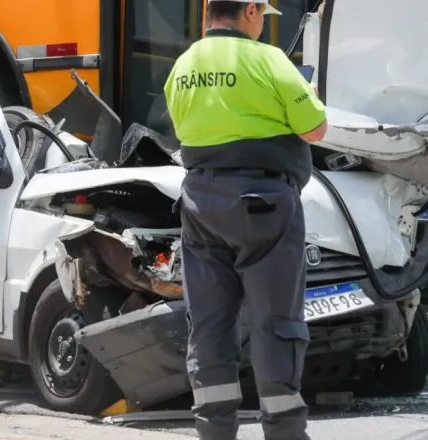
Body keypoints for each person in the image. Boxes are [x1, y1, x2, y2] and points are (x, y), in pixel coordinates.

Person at [163, 1, 328, 439]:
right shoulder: (268, 59)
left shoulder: (183, 65)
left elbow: (183, 129)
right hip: (264, 206)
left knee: (211, 324)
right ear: (250, 10)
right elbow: (315, 129)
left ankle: (214, 431)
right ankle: (284, 431)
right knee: (275, 322)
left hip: (200, 204)